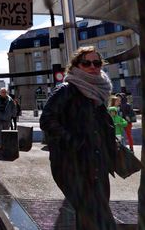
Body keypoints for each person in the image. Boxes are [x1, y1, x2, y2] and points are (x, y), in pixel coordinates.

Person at [40, 46, 116, 230]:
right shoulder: (66, 90)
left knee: (96, 213)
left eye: (97, 63)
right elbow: (47, 120)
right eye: (86, 63)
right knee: (97, 217)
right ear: (76, 66)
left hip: (97, 164)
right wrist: (75, 143)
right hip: (73, 164)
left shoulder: (99, 92)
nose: (92, 66)